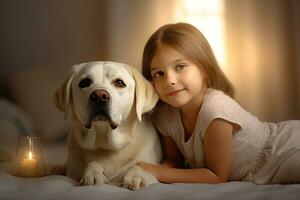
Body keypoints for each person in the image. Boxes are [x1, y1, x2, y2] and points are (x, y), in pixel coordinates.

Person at [138, 22, 300, 184]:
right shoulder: (164, 116)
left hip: (281, 152)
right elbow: (174, 161)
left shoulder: (215, 109)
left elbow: (217, 176)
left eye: (180, 66)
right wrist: (146, 171)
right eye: (159, 73)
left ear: (204, 69)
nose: (170, 80)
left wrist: (157, 172)